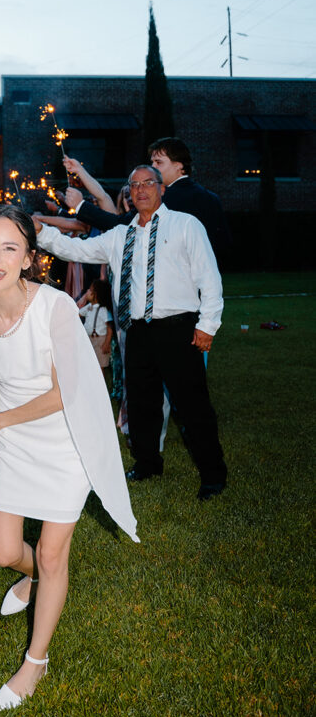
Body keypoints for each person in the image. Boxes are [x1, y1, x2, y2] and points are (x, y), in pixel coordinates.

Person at [0, 204, 138, 712]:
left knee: (51, 552)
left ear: (28, 258)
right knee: (4, 552)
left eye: (9, 248)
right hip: (12, 439)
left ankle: (35, 661)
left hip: (64, 438)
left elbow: (67, 393)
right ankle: (36, 576)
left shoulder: (55, 307)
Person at [34, 166, 227, 501]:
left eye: (148, 183)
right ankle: (147, 463)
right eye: (134, 185)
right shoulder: (120, 235)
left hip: (178, 329)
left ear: (161, 188)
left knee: (193, 404)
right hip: (136, 331)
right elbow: (77, 250)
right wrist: (41, 232)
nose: (140, 190)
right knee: (140, 403)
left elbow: (209, 279)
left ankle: (213, 475)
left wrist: (207, 326)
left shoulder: (185, 225)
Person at [62, 140, 230, 262]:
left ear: (179, 166)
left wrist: (80, 206)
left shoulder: (165, 197)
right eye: (152, 162)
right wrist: (80, 171)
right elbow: (223, 246)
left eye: (158, 162)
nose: (153, 167)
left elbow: (121, 225)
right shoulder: (211, 198)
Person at [77, 278, 114, 380]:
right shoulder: (89, 307)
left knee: (99, 365)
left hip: (100, 341)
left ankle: (100, 384)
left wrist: (106, 343)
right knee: (88, 363)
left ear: (95, 294)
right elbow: (77, 314)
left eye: (90, 290)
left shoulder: (103, 310)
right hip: (88, 339)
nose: (87, 292)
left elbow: (109, 328)